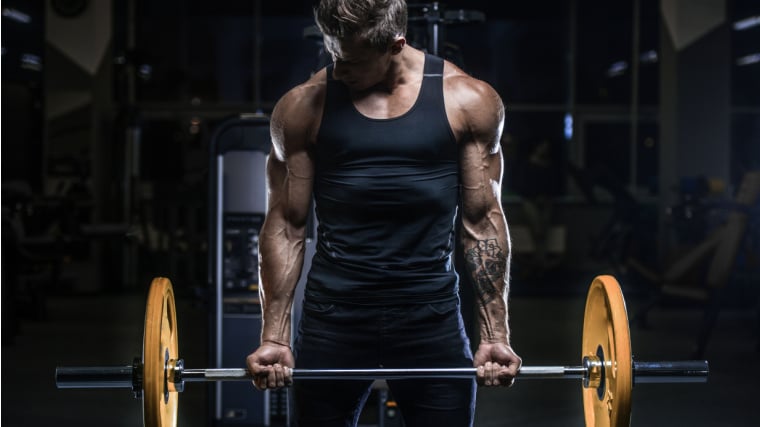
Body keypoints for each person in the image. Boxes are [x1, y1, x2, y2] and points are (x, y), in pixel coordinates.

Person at [246, 1, 521, 425]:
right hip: (333, 317)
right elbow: (285, 225)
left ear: (395, 45)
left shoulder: (466, 101)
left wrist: (495, 334)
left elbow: (482, 222)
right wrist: (274, 337)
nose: (337, 70)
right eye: (332, 53)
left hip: (430, 317)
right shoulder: (302, 108)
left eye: (351, 60)